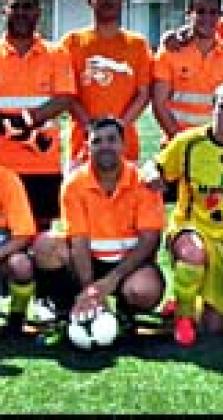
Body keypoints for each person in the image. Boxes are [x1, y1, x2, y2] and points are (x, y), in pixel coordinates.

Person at [144, 81, 223, 346]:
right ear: (212, 108)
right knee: (193, 253)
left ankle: (187, 299)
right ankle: (183, 316)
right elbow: (152, 166)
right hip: (190, 228)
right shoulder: (189, 142)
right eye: (222, 107)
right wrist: (152, 174)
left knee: (213, 327)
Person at [31, 117, 165, 343]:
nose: (105, 146)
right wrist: (90, 290)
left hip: (127, 264)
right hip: (86, 262)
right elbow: (79, 240)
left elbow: (149, 241)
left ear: (123, 144)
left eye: (112, 140)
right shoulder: (74, 184)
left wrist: (111, 280)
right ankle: (66, 311)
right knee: (45, 245)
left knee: (145, 289)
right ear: (87, 146)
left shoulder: (144, 181)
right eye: (97, 141)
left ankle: (124, 315)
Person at [0, 0, 76, 230]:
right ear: (5, 11)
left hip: (42, 164)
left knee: (41, 235)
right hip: (2, 164)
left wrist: (25, 120)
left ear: (38, 13)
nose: (21, 13)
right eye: (15, 6)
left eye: (28, 7)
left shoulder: (56, 53)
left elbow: (64, 98)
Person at [61, 0, 153, 167]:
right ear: (90, 1)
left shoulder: (138, 44)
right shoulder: (72, 42)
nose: (107, 1)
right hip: (82, 146)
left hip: (126, 147)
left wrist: (118, 127)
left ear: (121, 0)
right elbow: (66, 94)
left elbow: (143, 94)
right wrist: (91, 127)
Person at [152, 0, 223, 143]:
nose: (207, 18)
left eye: (213, 12)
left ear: (220, 15)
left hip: (216, 146)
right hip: (176, 143)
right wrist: (179, 140)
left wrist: (217, 142)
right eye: (201, 12)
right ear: (188, 14)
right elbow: (159, 103)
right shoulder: (169, 53)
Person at [0, 164, 38, 336]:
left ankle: (16, 320)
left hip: (3, 248)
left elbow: (24, 234)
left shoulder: (7, 178)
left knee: (20, 265)